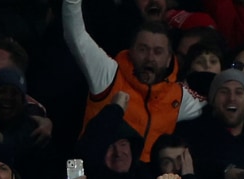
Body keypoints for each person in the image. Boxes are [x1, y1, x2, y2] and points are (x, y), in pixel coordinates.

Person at [63, 0, 203, 161]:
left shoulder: (179, 96)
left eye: (158, 52)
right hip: (90, 174)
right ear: (131, 51)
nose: (150, 58)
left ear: (168, 59)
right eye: (143, 49)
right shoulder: (109, 74)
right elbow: (75, 35)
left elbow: (215, 100)